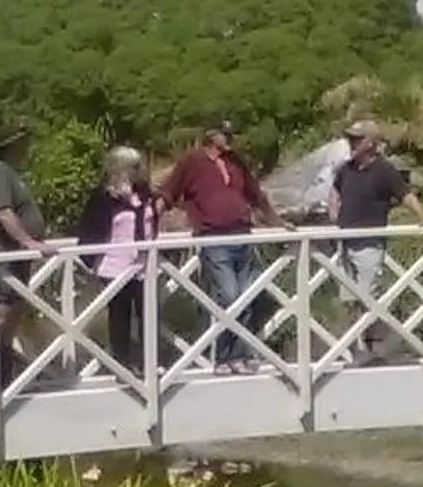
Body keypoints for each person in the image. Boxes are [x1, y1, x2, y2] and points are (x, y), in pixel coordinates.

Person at [158, 119, 284, 373]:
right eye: (224, 134)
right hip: (214, 237)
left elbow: (255, 194)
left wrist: (277, 222)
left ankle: (239, 356)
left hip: (242, 234)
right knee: (228, 295)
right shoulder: (192, 162)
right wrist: (150, 221)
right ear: (210, 134)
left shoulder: (235, 161)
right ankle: (223, 357)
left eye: (230, 133)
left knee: (246, 296)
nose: (229, 138)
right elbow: (168, 193)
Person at [328, 120, 423, 365]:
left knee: (367, 296)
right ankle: (356, 348)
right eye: (350, 139)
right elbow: (335, 190)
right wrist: (333, 209)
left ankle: (367, 347)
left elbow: (405, 195)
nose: (351, 143)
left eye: (356, 139)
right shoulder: (346, 169)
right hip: (345, 242)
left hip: (369, 242)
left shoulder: (384, 170)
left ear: (370, 142)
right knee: (349, 299)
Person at [0, 122, 56, 385]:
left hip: (14, 259)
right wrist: (28, 242)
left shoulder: (10, 173)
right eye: (24, 141)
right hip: (3, 257)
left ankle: (3, 382)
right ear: (13, 144)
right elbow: (3, 212)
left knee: (10, 320)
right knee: (1, 317)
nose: (28, 146)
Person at [75, 146, 163, 375]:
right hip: (115, 265)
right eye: (133, 167)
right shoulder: (103, 197)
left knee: (149, 313)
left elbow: (152, 222)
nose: (138, 171)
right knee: (120, 315)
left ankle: (149, 362)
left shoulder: (144, 193)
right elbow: (89, 230)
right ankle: (123, 365)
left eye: (139, 166)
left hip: (144, 265)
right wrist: (90, 260)